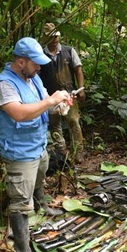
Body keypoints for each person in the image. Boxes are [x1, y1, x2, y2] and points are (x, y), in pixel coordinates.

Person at [0, 37, 72, 252]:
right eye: (35, 63)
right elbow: (20, 114)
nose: (39, 67)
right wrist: (51, 101)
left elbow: (46, 104)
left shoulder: (32, 79)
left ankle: (41, 204)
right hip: (19, 152)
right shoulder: (4, 85)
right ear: (21, 61)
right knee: (20, 202)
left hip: (37, 145)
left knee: (41, 174)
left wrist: (59, 104)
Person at [38, 23, 86, 164]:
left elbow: (78, 69)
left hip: (69, 94)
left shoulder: (69, 51)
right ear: (46, 37)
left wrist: (81, 89)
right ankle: (62, 153)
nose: (55, 39)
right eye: (52, 36)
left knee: (73, 122)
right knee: (54, 125)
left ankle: (78, 152)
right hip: (51, 97)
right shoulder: (41, 55)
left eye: (56, 35)